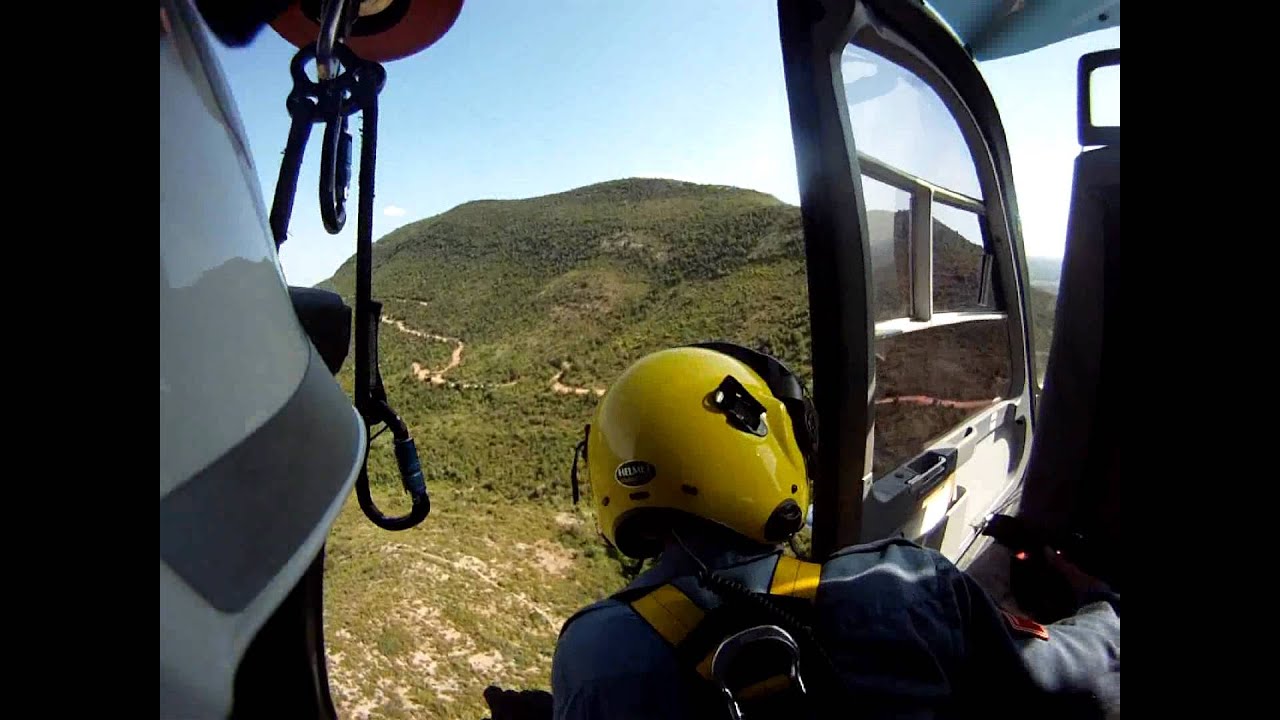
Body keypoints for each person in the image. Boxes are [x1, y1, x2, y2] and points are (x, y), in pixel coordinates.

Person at [552, 343, 1120, 720]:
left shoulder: (590, 653)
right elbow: (1055, 681)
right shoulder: (905, 585)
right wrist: (1106, 608)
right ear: (762, 442)